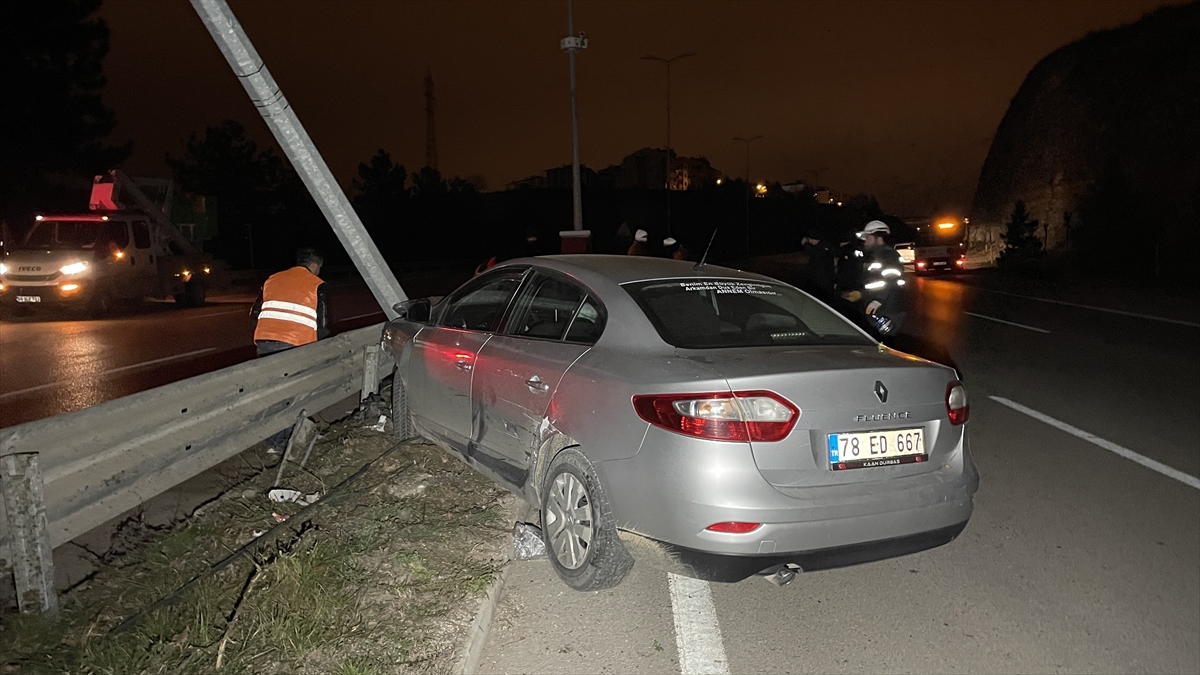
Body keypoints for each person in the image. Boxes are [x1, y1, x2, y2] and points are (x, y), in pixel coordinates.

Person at [251, 247, 330, 356]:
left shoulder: (272, 279)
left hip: (264, 342)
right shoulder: (318, 284)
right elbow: (323, 325)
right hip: (298, 343)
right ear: (315, 265)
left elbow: (254, 313)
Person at [842, 220, 910, 336]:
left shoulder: (888, 255)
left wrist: (879, 300)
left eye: (867, 237)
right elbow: (875, 284)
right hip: (877, 309)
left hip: (889, 309)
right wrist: (861, 294)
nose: (865, 241)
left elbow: (892, 279)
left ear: (877, 237)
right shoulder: (873, 256)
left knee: (887, 345)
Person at [800, 229, 837, 299]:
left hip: (823, 281)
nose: (810, 241)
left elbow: (817, 254)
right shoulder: (817, 247)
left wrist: (806, 244)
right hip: (816, 280)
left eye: (810, 239)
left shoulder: (825, 246)